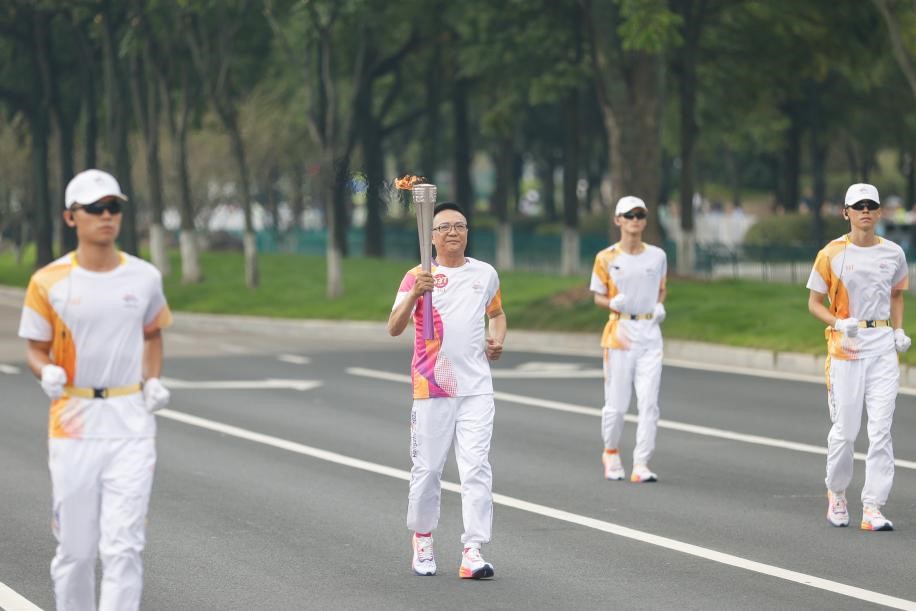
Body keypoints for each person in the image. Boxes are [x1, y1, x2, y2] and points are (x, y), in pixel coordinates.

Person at [19, 169, 172, 610]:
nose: (106, 217)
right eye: (95, 209)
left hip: (130, 420)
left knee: (124, 547)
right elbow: (34, 348)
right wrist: (44, 371)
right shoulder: (48, 281)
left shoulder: (144, 277)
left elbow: (153, 333)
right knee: (76, 551)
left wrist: (154, 378)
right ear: (71, 218)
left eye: (114, 208)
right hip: (73, 421)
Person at [387, 201, 507, 579]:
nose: (453, 232)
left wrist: (496, 338)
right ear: (431, 236)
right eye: (444, 227)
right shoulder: (417, 276)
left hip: (476, 388)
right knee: (428, 469)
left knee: (476, 469)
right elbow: (393, 327)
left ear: (468, 232)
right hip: (431, 387)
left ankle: (473, 550)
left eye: (460, 225)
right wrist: (413, 295)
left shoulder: (485, 274)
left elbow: (497, 314)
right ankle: (422, 538)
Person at [806, 183, 910, 531]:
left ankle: (873, 506)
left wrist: (897, 330)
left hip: (881, 346)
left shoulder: (893, 253)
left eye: (872, 205)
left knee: (881, 431)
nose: (866, 210)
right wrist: (839, 322)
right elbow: (813, 304)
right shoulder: (831, 253)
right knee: (847, 431)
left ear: (879, 212)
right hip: (846, 346)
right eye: (858, 205)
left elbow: (897, 294)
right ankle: (836, 493)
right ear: (846, 212)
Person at [590, 196, 668, 483]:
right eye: (629, 215)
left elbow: (660, 289)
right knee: (618, 402)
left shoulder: (657, 256)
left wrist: (658, 306)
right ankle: (610, 452)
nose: (635, 220)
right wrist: (612, 303)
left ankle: (641, 463)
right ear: (618, 220)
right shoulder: (606, 257)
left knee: (649, 401)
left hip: (650, 332)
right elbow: (597, 295)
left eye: (640, 215)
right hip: (620, 333)